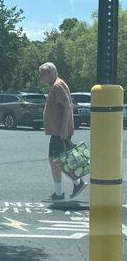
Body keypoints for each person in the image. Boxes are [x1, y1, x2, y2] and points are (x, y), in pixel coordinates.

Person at [39, 62, 87, 201]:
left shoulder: (58, 86)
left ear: (50, 72)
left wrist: (64, 129)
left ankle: (61, 192)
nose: (41, 78)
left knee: (55, 159)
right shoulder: (56, 85)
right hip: (58, 130)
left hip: (60, 131)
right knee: (62, 159)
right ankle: (74, 185)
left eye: (42, 75)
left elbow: (67, 107)